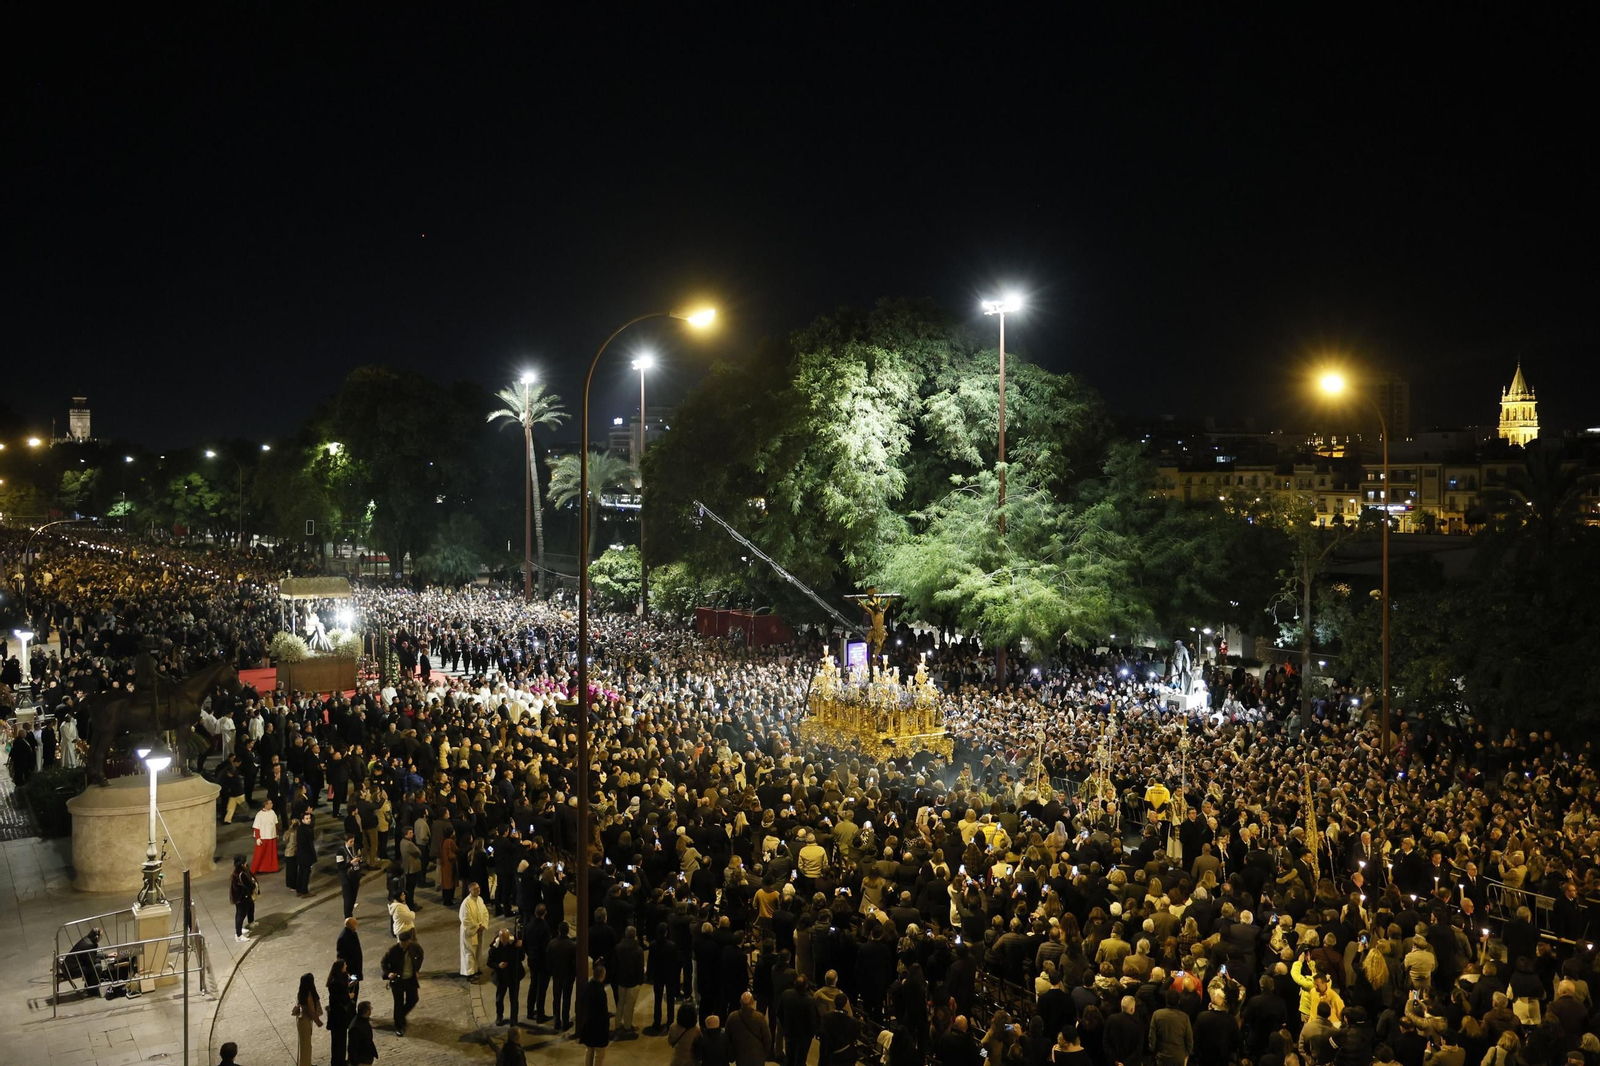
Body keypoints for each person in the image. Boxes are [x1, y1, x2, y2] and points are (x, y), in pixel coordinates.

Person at [381, 931, 424, 1037]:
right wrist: (388, 973)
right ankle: (399, 1026)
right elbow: (383, 962)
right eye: (401, 942)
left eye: (405, 943)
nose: (403, 945)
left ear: (409, 941)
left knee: (413, 999)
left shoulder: (414, 947)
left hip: (410, 979)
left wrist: (417, 969)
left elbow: (420, 955)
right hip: (398, 981)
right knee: (398, 1003)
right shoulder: (393, 950)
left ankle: (400, 1016)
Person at [489, 926, 525, 1026]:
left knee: (514, 999)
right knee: (499, 999)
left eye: (506, 939)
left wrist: (520, 947)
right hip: (501, 977)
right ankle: (499, 1016)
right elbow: (489, 962)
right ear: (500, 938)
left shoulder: (514, 943)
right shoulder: (495, 947)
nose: (505, 942)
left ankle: (514, 1018)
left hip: (514, 975)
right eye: (503, 940)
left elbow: (522, 957)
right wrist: (498, 965)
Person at [578, 961, 612, 1066]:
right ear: (603, 975)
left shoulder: (587, 986)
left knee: (589, 1050)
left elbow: (582, 1001)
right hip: (598, 1027)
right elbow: (603, 1011)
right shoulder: (600, 991)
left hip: (588, 1023)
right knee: (599, 1052)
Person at [729, 990, 773, 1066]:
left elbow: (728, 1038)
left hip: (740, 1055)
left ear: (740, 1002)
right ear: (752, 1002)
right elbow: (767, 1038)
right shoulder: (759, 1017)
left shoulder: (732, 1017)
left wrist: (732, 1055)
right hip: (758, 1055)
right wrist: (765, 1053)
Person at [327, 958, 357, 1066]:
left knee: (339, 1039)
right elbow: (340, 998)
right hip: (338, 1017)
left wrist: (349, 985)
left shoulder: (337, 980)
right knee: (339, 1040)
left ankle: (338, 1060)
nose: (346, 966)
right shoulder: (336, 982)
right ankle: (338, 1061)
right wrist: (349, 996)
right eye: (345, 965)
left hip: (338, 1016)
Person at [292, 972, 324, 1066]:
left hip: (301, 1021)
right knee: (306, 1047)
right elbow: (311, 1010)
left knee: (304, 1045)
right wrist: (318, 1022)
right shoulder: (309, 994)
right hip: (305, 1021)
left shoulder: (301, 992)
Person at [460, 881, 491, 979]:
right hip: (470, 932)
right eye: (475, 889)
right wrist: (477, 926)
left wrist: (483, 924)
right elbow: (466, 919)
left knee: (478, 951)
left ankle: (476, 969)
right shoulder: (466, 903)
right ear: (470, 890)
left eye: (478, 888)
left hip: (478, 931)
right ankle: (469, 974)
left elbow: (485, 913)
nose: (478, 890)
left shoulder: (480, 900)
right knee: (470, 952)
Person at [229, 855, 258, 941]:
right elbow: (249, 885)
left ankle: (241, 929)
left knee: (244, 911)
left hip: (240, 897)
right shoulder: (241, 874)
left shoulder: (237, 872)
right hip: (242, 898)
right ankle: (238, 935)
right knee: (240, 915)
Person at [336, 832, 362, 918]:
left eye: (353, 841)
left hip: (355, 875)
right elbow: (340, 866)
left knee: (354, 896)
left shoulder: (356, 847)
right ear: (345, 842)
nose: (353, 843)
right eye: (351, 842)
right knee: (347, 897)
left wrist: (360, 860)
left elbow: (360, 855)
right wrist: (351, 862)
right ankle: (347, 916)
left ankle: (350, 912)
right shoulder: (340, 851)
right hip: (346, 877)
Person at [250, 798, 280, 874]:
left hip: (272, 836)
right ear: (266, 805)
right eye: (270, 803)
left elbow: (276, 824)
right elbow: (256, 827)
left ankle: (272, 868)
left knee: (271, 854)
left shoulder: (273, 812)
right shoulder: (259, 815)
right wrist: (257, 838)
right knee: (260, 854)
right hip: (263, 837)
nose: (272, 804)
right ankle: (256, 869)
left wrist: (276, 833)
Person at [294, 809, 317, 898]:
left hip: (301, 854)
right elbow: (307, 843)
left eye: (309, 818)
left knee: (301, 872)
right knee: (305, 873)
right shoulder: (306, 829)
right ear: (302, 820)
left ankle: (299, 889)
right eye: (307, 818)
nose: (309, 820)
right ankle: (304, 891)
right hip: (306, 855)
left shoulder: (300, 828)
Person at [348, 1000, 378, 1066]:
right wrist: (356, 1063)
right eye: (371, 1008)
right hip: (362, 1060)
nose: (371, 1010)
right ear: (367, 1011)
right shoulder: (355, 1028)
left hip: (366, 1056)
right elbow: (352, 1048)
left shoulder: (363, 1019)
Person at [338, 916, 364, 981]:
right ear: (351, 926)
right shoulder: (343, 938)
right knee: (354, 982)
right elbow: (341, 956)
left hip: (356, 965)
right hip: (351, 968)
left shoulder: (353, 933)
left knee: (356, 981)